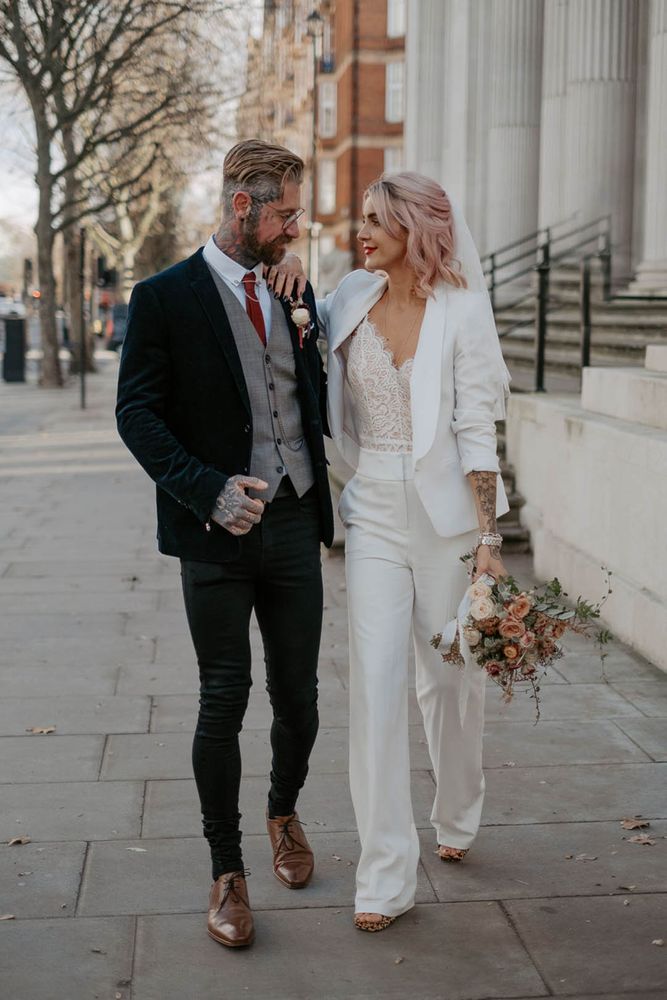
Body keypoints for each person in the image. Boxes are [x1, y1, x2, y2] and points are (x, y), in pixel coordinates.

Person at [266, 172, 510, 932]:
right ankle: (384, 874)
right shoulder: (349, 298)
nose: (360, 231)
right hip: (370, 508)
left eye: (376, 220)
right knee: (373, 685)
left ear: (416, 226)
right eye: (360, 219)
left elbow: (477, 426)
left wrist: (488, 542)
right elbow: (303, 350)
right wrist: (297, 286)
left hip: (445, 521)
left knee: (448, 680)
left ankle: (457, 810)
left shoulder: (462, 311)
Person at [116, 140, 333, 948]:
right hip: (213, 531)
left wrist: (299, 291)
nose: (295, 225)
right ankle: (227, 870)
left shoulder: (291, 285)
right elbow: (136, 413)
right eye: (285, 213)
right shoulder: (164, 296)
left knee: (300, 698)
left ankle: (283, 810)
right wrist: (204, 487)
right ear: (242, 206)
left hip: (293, 522)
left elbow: (309, 388)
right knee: (222, 699)